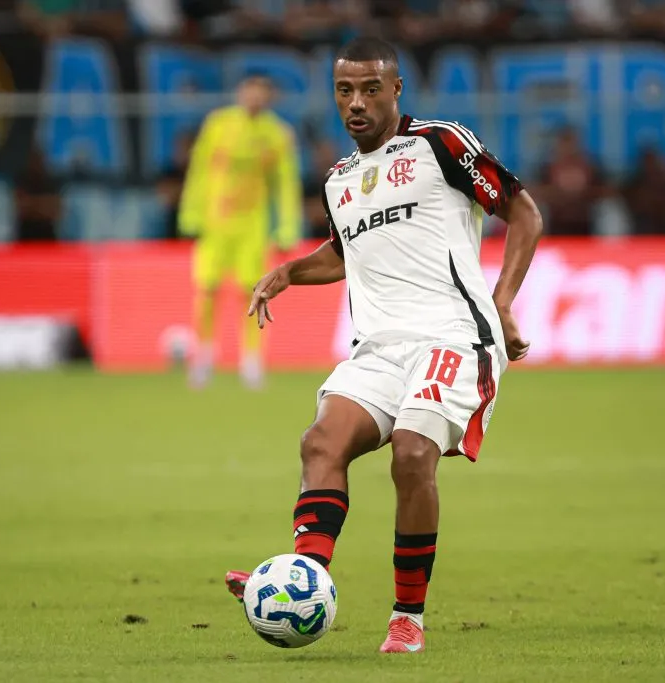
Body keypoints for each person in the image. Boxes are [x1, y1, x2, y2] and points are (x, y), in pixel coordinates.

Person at [223, 37, 543, 654]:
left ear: (396, 90)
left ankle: (407, 617)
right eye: (345, 90)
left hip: (454, 337)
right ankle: (300, 580)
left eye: (371, 89)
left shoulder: (440, 144)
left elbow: (524, 213)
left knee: (412, 454)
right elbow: (344, 252)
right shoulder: (339, 180)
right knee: (321, 442)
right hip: (378, 348)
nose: (357, 103)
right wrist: (290, 271)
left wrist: (502, 303)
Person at [178, 72, 302, 390]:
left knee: (253, 291)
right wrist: (190, 212)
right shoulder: (217, 125)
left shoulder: (277, 134)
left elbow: (285, 184)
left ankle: (251, 359)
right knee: (207, 289)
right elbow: (199, 171)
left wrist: (288, 226)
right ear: (240, 92)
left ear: (270, 97)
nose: (254, 97)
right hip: (215, 223)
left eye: (261, 91)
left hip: (252, 227)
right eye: (250, 90)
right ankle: (203, 356)